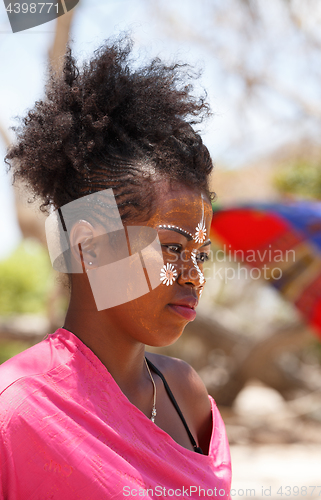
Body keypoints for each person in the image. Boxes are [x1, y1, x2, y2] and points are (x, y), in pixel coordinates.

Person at [0, 37, 232, 499]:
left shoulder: (185, 395)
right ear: (89, 246)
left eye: (200, 254)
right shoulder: (20, 409)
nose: (193, 275)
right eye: (171, 249)